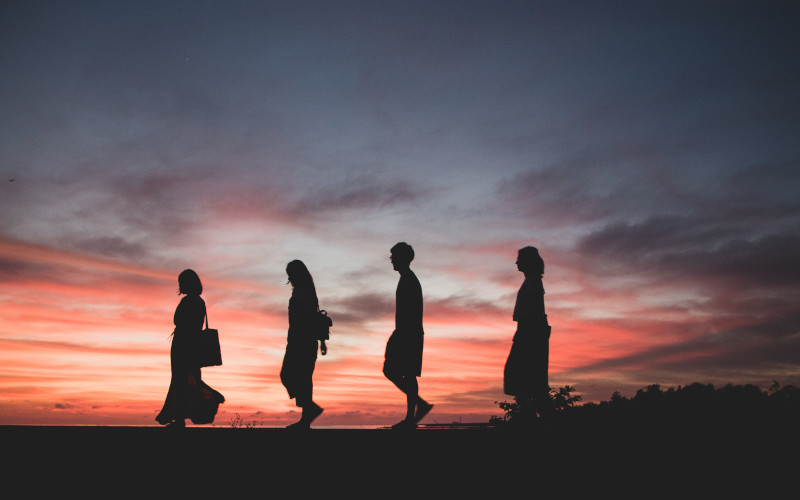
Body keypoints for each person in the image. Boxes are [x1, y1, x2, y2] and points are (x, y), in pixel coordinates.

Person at [156, 269, 225, 429]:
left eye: (182, 282)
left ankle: (211, 399)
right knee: (187, 380)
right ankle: (180, 418)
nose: (180, 285)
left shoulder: (188, 301)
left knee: (182, 381)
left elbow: (178, 320)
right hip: (192, 346)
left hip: (183, 345)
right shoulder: (200, 302)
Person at [383, 242, 433, 429]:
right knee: (400, 373)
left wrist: (399, 334)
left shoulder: (409, 279)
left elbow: (410, 312)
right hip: (407, 332)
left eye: (394, 256)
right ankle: (416, 410)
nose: (391, 260)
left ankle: (413, 415)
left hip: (408, 333)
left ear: (403, 258)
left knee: (404, 373)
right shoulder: (407, 278)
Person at [504, 246, 552, 422]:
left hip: (529, 333)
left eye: (520, 259)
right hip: (528, 332)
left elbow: (533, 312)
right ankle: (529, 415)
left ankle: (531, 417)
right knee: (527, 378)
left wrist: (525, 334)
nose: (516, 262)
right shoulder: (532, 281)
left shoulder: (533, 282)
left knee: (525, 377)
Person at [280, 260, 327, 429]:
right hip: (303, 341)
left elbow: (307, 318)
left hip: (300, 342)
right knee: (303, 379)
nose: (289, 277)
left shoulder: (301, 293)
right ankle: (306, 418)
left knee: (290, 376)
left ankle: (308, 414)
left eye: (291, 274)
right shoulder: (306, 292)